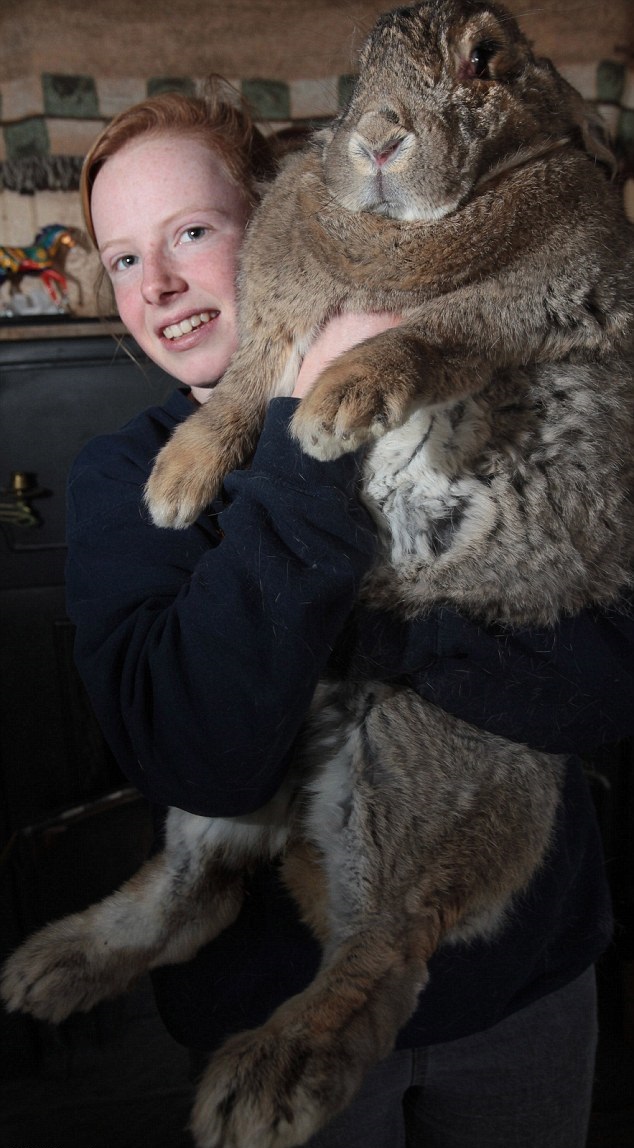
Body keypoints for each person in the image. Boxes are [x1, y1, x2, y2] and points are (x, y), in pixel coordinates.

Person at [67, 77, 634, 1147]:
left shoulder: (485, 394)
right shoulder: (125, 478)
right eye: (125, 257)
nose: (162, 282)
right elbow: (197, 750)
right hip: (275, 1019)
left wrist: (364, 636)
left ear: (291, 222)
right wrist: (298, 439)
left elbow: (604, 676)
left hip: (524, 987)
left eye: (192, 230)